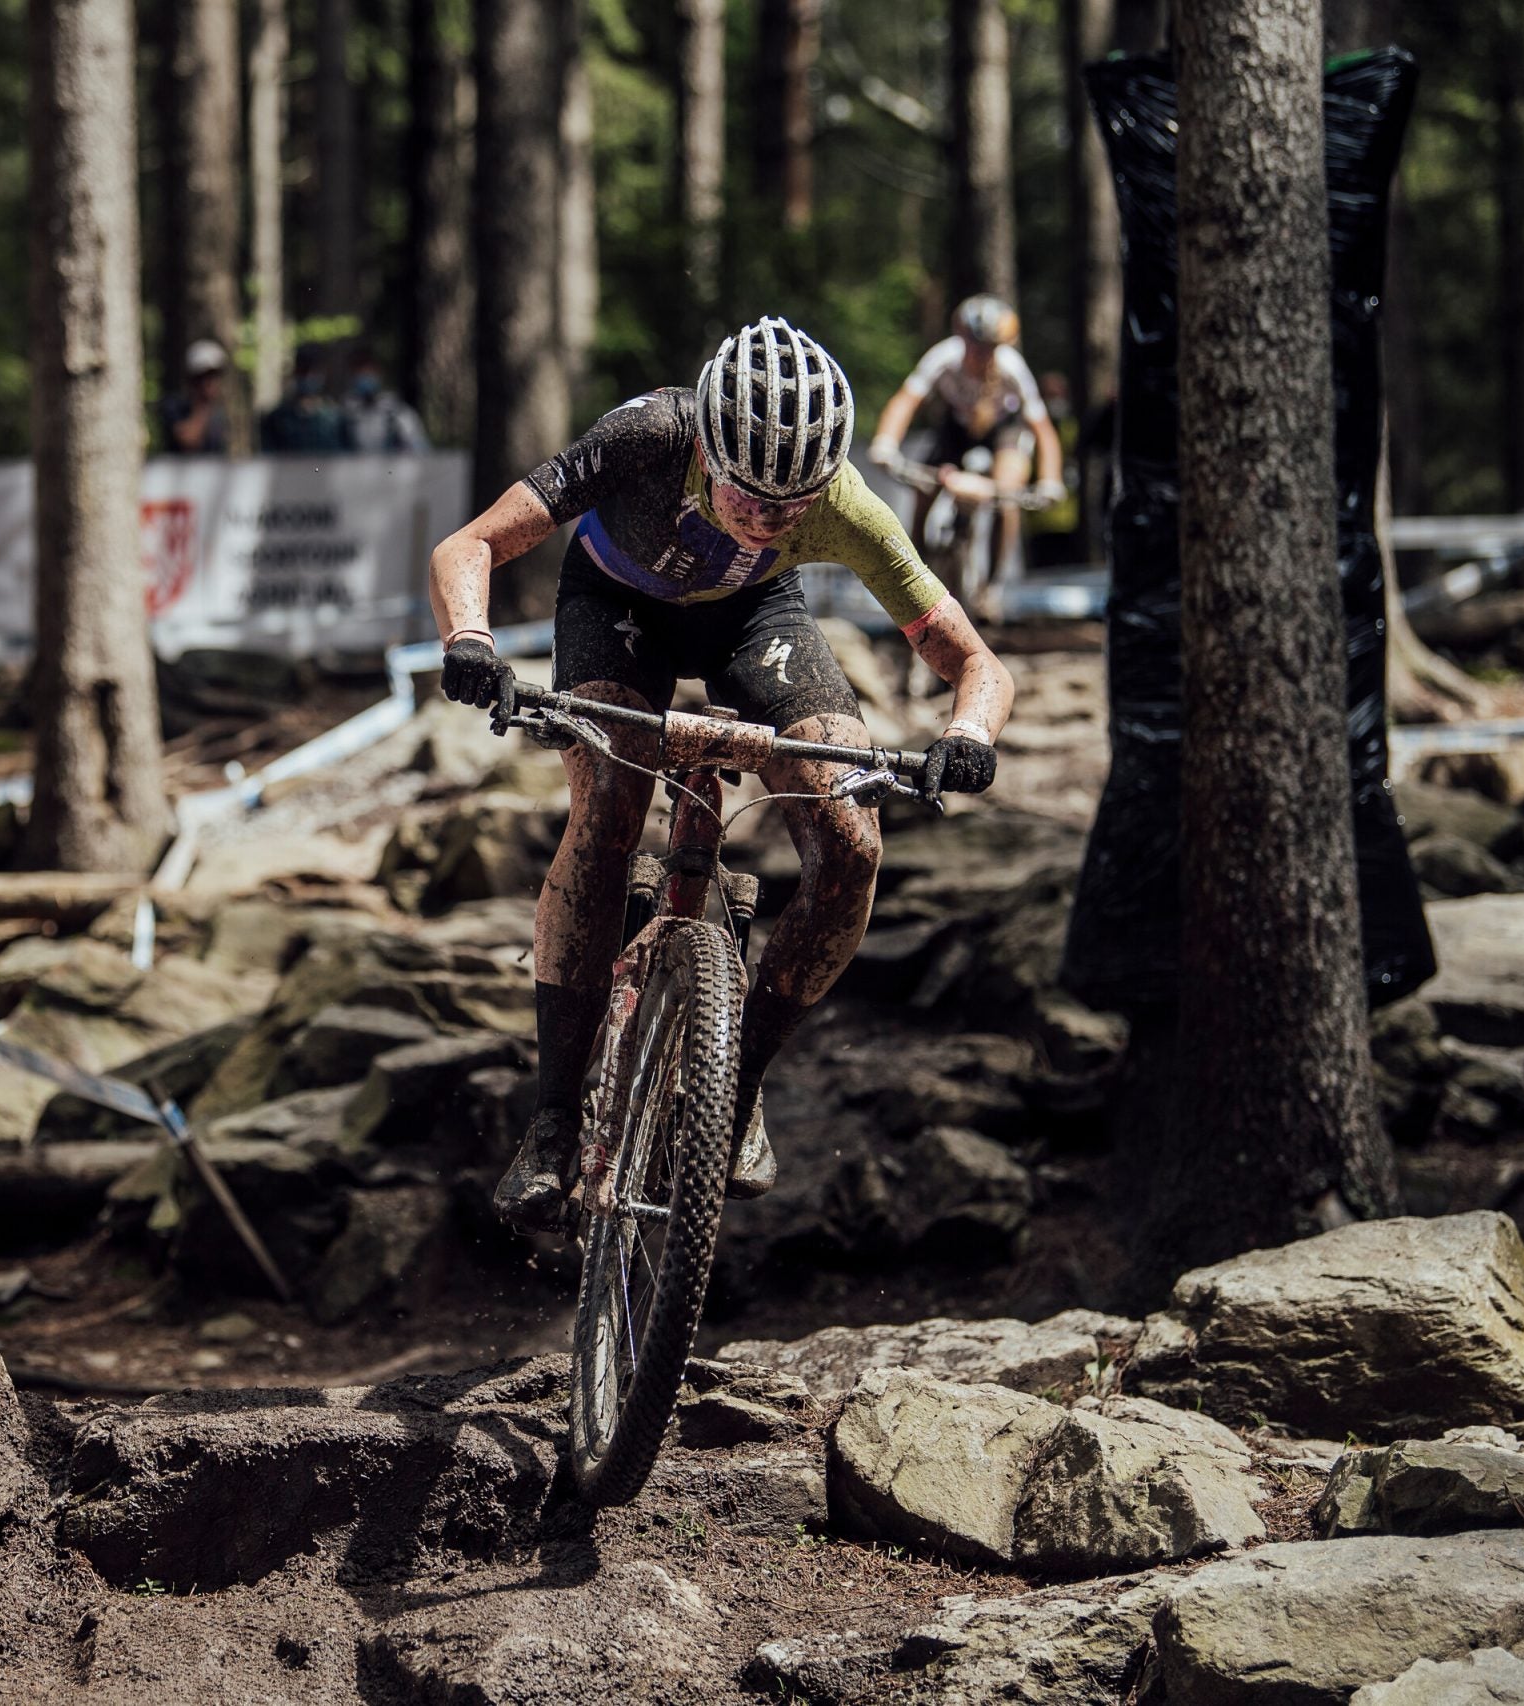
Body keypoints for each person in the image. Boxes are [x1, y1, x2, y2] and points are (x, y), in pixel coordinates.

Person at [429, 317, 1016, 1231]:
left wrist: (969, 731)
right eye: (750, 496)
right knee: (610, 804)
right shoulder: (645, 436)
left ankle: (734, 1091)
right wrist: (469, 639)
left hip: (754, 620)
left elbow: (977, 661)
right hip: (612, 606)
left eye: (794, 506)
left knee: (853, 844)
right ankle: (551, 1121)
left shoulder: (846, 505)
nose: (771, 519)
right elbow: (467, 547)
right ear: (705, 445)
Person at [866, 295, 1066, 579]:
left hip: (1003, 431)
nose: (980, 353)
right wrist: (885, 442)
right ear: (961, 337)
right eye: (974, 343)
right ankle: (913, 574)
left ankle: (992, 586)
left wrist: (1050, 479)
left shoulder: (1012, 368)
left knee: (1007, 494)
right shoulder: (943, 357)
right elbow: (906, 401)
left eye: (989, 347)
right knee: (923, 490)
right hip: (956, 429)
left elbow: (1042, 429)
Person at [341, 352, 431, 453]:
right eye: (360, 373)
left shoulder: (398, 412)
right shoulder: (344, 415)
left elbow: (418, 447)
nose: (365, 377)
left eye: (369, 372)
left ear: (379, 374)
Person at [160, 339, 231, 455]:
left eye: (215, 376)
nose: (211, 383)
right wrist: (203, 404)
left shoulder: (218, 414)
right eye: (205, 376)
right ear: (193, 379)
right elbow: (189, 441)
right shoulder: (173, 405)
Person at [260, 362, 347, 454]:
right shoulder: (276, 418)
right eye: (303, 372)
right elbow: (269, 455)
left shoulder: (336, 419)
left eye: (313, 373)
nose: (308, 377)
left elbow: (346, 455)